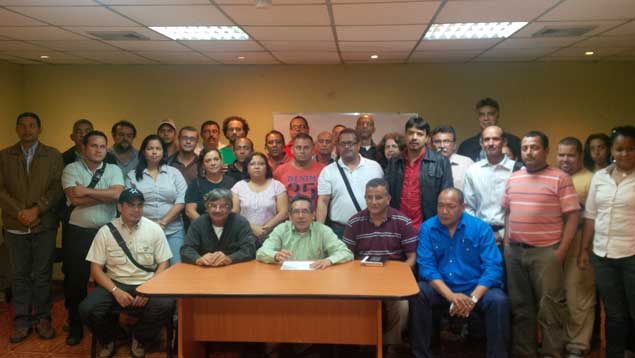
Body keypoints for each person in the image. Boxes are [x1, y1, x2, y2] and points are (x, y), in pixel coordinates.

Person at [503, 130, 581, 358]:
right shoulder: (514, 177)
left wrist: (562, 251)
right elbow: (507, 211)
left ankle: (551, 353)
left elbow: (573, 216)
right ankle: (525, 353)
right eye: (525, 148)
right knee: (520, 308)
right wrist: (508, 242)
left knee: (550, 309)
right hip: (515, 253)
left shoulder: (560, 178)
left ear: (546, 151)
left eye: (535, 147)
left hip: (546, 253)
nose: (529, 152)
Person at [410, 188, 509, 358]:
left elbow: (493, 267)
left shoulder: (480, 228)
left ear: (463, 207)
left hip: (475, 288)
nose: (444, 211)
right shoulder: (428, 228)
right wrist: (451, 296)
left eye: (450, 206)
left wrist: (473, 299)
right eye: (440, 206)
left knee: (499, 300)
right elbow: (427, 267)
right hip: (443, 289)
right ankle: (422, 354)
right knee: (419, 293)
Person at [79, 188, 174, 358]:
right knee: (87, 309)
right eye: (131, 205)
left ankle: (139, 337)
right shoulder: (105, 231)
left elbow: (164, 263)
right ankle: (111, 338)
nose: (136, 210)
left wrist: (149, 289)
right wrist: (115, 291)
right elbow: (95, 269)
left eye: (139, 205)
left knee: (166, 305)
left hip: (146, 282)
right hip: (115, 283)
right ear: (120, 207)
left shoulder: (154, 229)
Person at [1, 112, 64, 343]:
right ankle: (21, 320)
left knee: (42, 275)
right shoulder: (4, 155)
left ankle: (43, 318)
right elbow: (1, 190)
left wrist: (37, 210)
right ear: (17, 129)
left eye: (32, 126)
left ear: (40, 129)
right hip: (14, 225)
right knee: (18, 276)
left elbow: (57, 187)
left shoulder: (53, 155)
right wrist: (19, 211)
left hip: (43, 225)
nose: (27, 130)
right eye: (23, 126)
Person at [62, 130, 125, 345]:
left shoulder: (114, 169)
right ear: (84, 148)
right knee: (75, 281)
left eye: (102, 146)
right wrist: (104, 195)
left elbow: (117, 195)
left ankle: (109, 324)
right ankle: (76, 325)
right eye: (93, 146)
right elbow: (74, 199)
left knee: (109, 278)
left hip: (107, 233)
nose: (98, 150)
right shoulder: (71, 169)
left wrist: (86, 191)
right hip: (78, 232)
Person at [578, 126, 635, 358]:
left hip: (632, 255)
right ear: (612, 150)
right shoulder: (600, 177)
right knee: (613, 313)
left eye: (631, 149)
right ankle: (614, 353)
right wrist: (584, 249)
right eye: (620, 149)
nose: (625, 154)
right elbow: (591, 215)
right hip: (602, 256)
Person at [343, 178, 418, 345]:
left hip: (393, 279)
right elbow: (347, 257)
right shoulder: (354, 222)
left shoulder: (402, 222)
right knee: (346, 302)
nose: (373, 202)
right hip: (362, 278)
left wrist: (399, 276)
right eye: (369, 197)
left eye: (378, 197)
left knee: (402, 306)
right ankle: (360, 342)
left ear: (388, 199)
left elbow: (412, 257)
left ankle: (391, 344)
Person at [556, 136, 596, 358]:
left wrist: (584, 251)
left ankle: (577, 346)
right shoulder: (555, 176)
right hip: (553, 244)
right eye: (561, 154)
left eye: (570, 155)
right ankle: (560, 341)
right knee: (556, 296)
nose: (565, 159)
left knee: (578, 297)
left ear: (580, 155)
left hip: (580, 244)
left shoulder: (592, 179)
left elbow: (592, 217)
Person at [126, 135, 187, 265]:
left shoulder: (174, 173)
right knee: (148, 268)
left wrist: (163, 222)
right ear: (143, 152)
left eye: (158, 149)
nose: (154, 152)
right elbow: (129, 204)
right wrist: (150, 226)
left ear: (163, 152)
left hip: (173, 230)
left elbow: (182, 199)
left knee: (176, 267)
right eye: (150, 148)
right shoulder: (132, 175)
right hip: (142, 230)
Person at [385, 116, 453, 232]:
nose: (414, 137)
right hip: (397, 227)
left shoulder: (440, 162)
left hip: (429, 227)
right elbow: (387, 194)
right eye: (411, 133)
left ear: (427, 138)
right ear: (405, 136)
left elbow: (447, 197)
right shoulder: (394, 161)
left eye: (420, 134)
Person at [316, 128, 384, 238]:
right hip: (339, 230)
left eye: (350, 143)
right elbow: (323, 202)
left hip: (370, 227)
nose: (347, 146)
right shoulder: (327, 171)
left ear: (358, 145)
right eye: (343, 143)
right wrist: (319, 231)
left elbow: (383, 198)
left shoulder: (374, 167)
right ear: (337, 146)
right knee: (341, 256)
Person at [256, 195, 353, 269]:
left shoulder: (322, 230)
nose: (301, 216)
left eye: (305, 211)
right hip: (287, 278)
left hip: (316, 277)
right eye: (296, 212)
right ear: (290, 216)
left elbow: (346, 253)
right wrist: (275, 256)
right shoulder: (281, 229)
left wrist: (329, 260)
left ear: (313, 215)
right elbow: (261, 252)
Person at [463, 126, 519, 246]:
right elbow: (468, 207)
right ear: (481, 143)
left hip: (511, 237)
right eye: (487, 139)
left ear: (504, 142)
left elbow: (522, 209)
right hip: (479, 236)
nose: (491, 143)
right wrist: (482, 233)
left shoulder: (518, 170)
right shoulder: (473, 171)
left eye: (495, 139)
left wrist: (502, 234)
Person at [181, 188, 256, 266]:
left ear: (230, 208)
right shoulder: (198, 223)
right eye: (213, 206)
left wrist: (230, 258)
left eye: (223, 206)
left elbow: (249, 249)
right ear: (207, 207)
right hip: (205, 270)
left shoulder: (240, 223)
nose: (217, 210)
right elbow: (186, 249)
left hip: (235, 269)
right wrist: (198, 259)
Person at [231, 152, 288, 245]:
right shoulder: (238, 187)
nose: (257, 167)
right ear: (247, 168)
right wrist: (252, 228)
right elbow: (234, 213)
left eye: (261, 164)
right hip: (244, 234)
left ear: (267, 167)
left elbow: (283, 213)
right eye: (252, 164)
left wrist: (265, 228)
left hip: (273, 234)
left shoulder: (277, 186)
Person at [457, 98, 521, 162]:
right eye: (482, 115)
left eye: (490, 114)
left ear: (497, 116)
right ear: (478, 117)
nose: (486, 118)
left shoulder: (514, 142)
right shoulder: (466, 146)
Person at [185, 148, 237, 221]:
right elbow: (189, 211)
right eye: (208, 161)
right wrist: (206, 227)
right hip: (203, 229)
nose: (213, 163)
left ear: (221, 161)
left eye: (216, 159)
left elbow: (236, 208)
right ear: (203, 165)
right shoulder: (196, 184)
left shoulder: (232, 183)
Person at [273, 133, 324, 206]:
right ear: (292, 150)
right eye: (298, 147)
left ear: (313, 150)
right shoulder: (280, 171)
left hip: (315, 216)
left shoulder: (323, 170)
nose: (302, 151)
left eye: (306, 148)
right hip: (288, 216)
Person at [431, 125, 474, 190]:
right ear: (432, 145)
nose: (442, 146)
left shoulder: (466, 163)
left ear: (454, 145)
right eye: (437, 142)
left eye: (446, 141)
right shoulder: (426, 163)